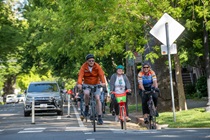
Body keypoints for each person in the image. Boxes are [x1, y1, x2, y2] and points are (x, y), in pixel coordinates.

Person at [77, 54, 106, 125]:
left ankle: (99, 117)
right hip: (87, 84)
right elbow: (80, 76)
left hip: (96, 83)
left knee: (97, 98)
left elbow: (101, 74)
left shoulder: (97, 66)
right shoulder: (84, 67)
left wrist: (103, 82)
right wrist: (79, 84)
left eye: (93, 61)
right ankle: (86, 107)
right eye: (90, 61)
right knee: (86, 93)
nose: (91, 62)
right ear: (87, 61)